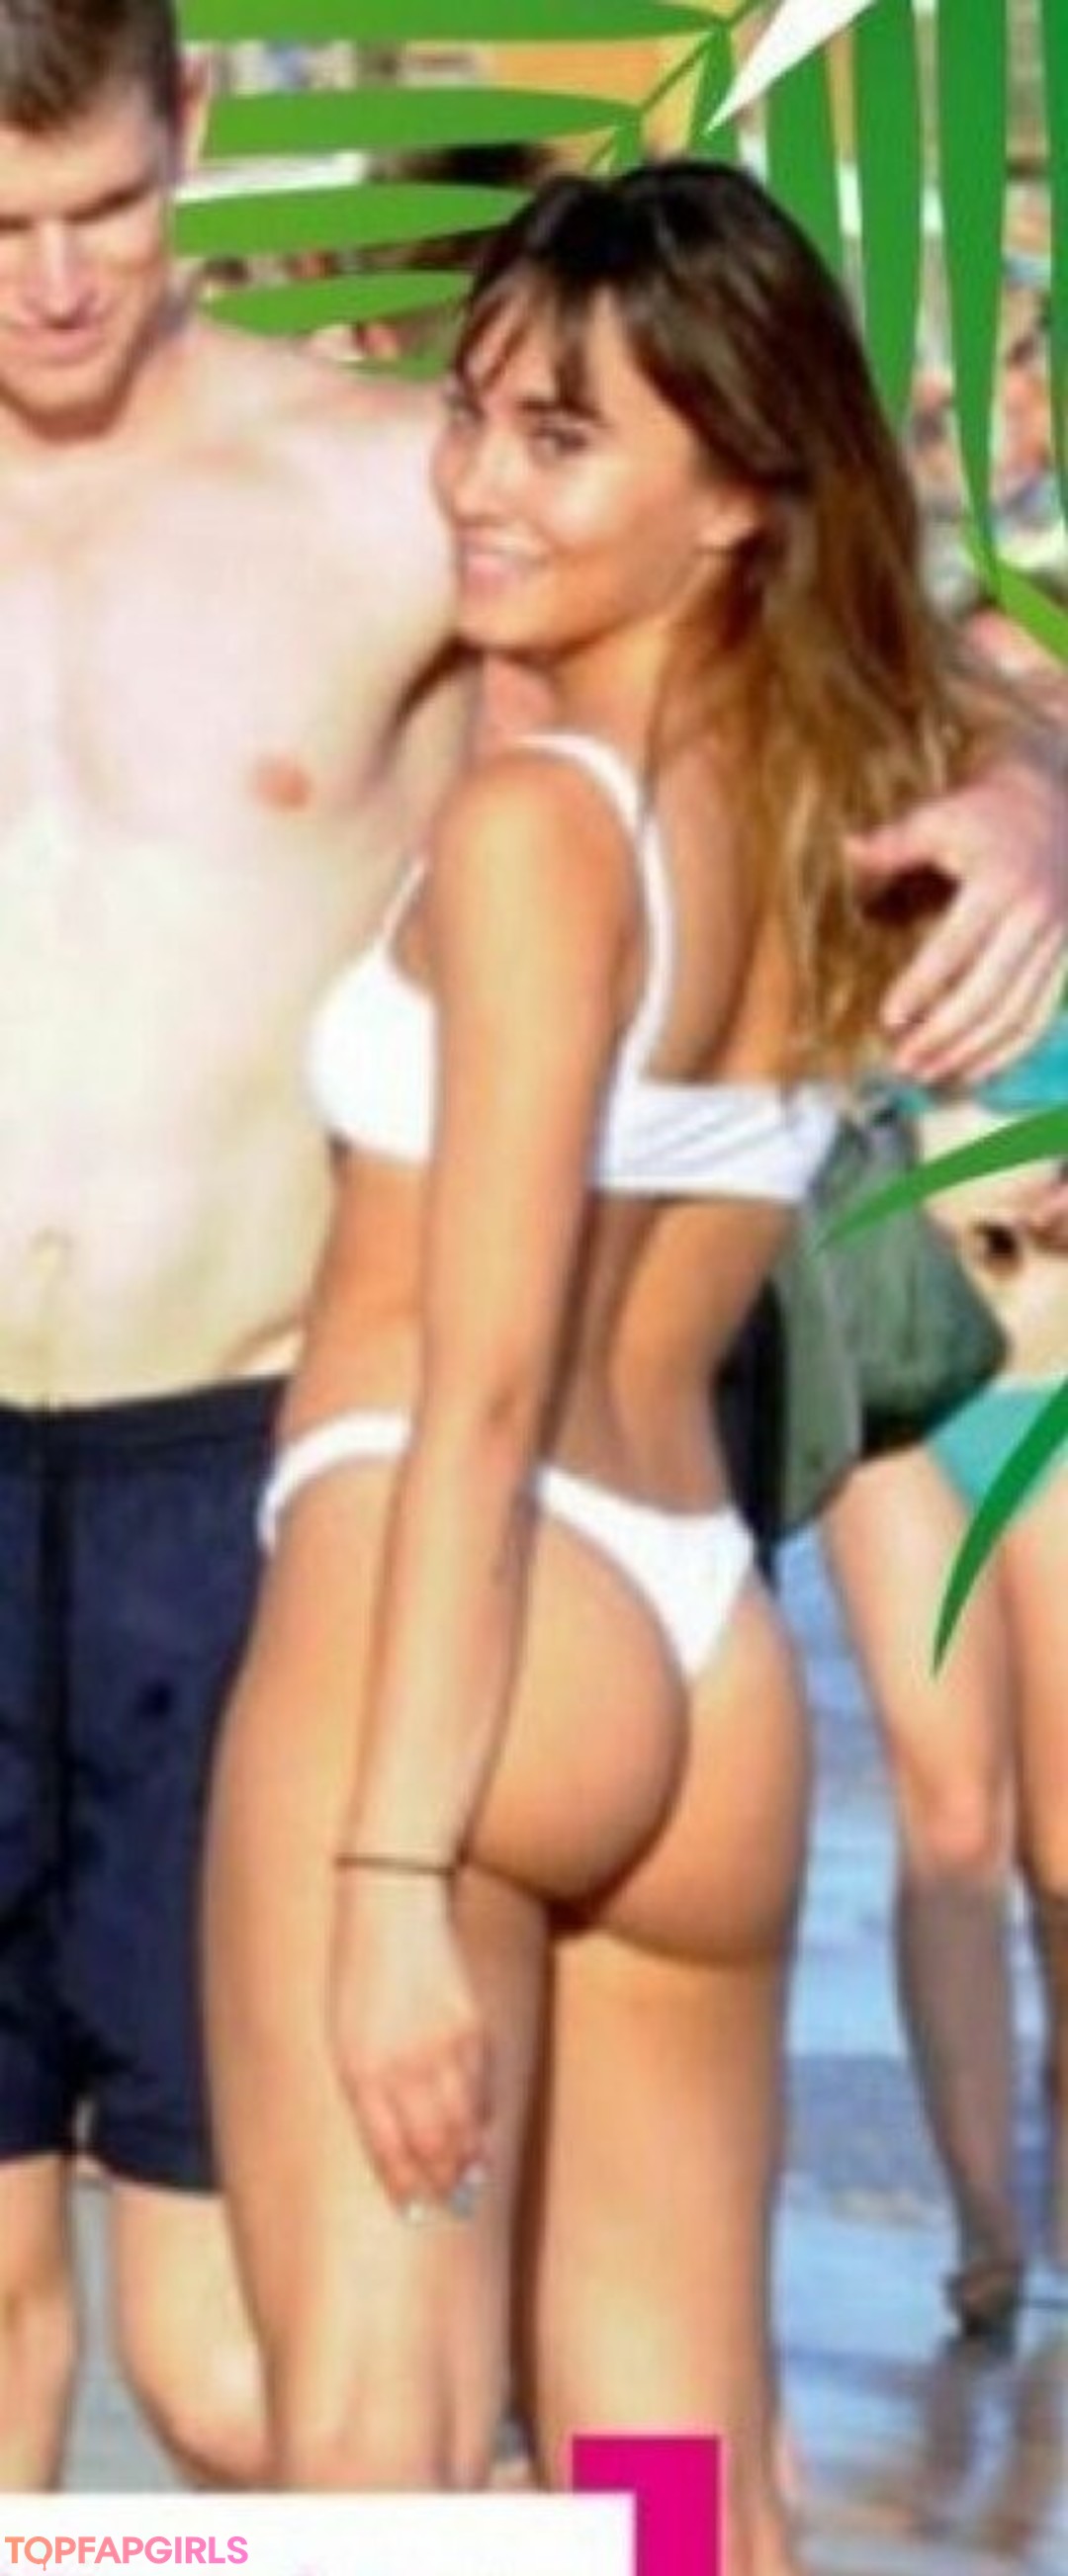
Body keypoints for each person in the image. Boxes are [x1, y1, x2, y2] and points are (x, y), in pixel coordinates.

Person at [0, 0, 1065, 2500]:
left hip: (331, 1517)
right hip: (659, 1624)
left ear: (186, 128)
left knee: (315, 2424)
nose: (54, 281)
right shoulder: (563, 533)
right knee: (670, 2453)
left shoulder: (419, 501)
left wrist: (1037, 805)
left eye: (105, 208)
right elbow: (817, 610)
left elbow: (906, 657)